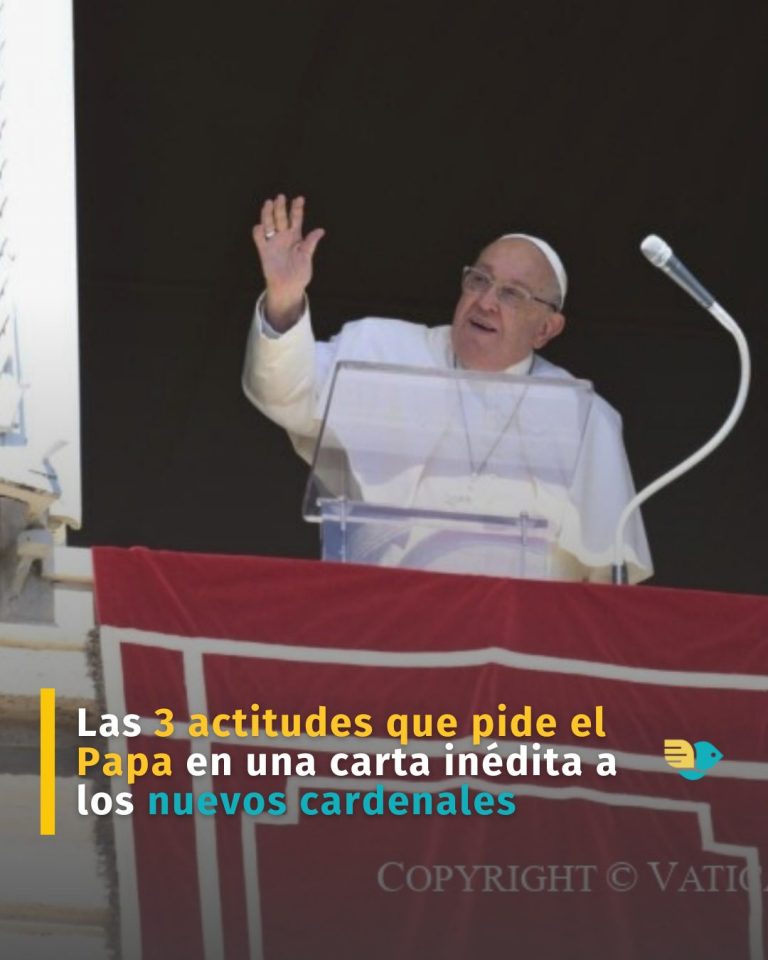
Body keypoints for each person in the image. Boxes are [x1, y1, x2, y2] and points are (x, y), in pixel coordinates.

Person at [243, 194, 652, 583]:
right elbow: (284, 392)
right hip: (390, 613)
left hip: (520, 626)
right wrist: (284, 298)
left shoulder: (582, 416)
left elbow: (609, 574)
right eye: (479, 280)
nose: (486, 302)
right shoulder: (382, 350)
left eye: (511, 294)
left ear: (546, 328)